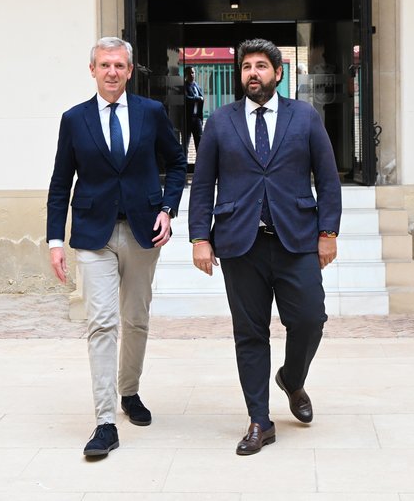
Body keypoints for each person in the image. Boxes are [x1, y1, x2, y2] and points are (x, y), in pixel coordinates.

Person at [188, 38, 342, 455]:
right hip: (241, 244)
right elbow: (202, 185)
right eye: (246, 67)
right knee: (250, 334)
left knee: (311, 318)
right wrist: (200, 238)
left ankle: (292, 379)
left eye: (261, 66)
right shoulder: (221, 122)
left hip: (296, 240)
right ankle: (260, 419)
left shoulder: (304, 117)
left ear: (277, 73)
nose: (252, 73)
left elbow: (328, 179)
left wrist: (328, 233)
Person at [47, 36, 187, 457]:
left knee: (136, 319)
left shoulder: (151, 113)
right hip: (94, 235)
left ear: (129, 71)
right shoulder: (74, 119)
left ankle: (130, 392)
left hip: (144, 232)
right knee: (102, 323)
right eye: (104, 65)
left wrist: (168, 208)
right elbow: (60, 183)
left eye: (119, 66)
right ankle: (105, 420)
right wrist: (55, 238)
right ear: (92, 70)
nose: (112, 72)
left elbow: (177, 162)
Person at [182, 66, 204, 155]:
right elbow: (186, 98)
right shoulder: (184, 86)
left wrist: (201, 119)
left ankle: (200, 166)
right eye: (190, 73)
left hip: (197, 118)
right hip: (187, 119)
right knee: (185, 144)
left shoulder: (197, 86)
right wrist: (198, 98)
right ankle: (185, 166)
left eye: (193, 72)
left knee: (200, 145)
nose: (192, 74)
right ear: (186, 74)